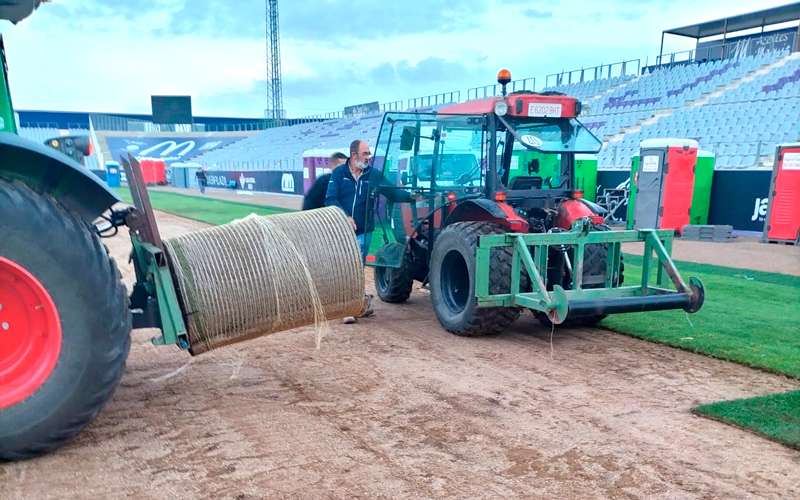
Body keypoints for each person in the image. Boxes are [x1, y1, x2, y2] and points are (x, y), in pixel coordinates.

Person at [325, 139, 415, 324]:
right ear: (354, 155)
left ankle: (354, 305)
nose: (368, 157)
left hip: (365, 230)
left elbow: (392, 193)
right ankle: (348, 307)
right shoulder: (339, 174)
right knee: (348, 267)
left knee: (357, 267)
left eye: (369, 154)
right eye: (365, 154)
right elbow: (331, 199)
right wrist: (345, 217)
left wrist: (412, 196)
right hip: (341, 231)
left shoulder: (373, 175)